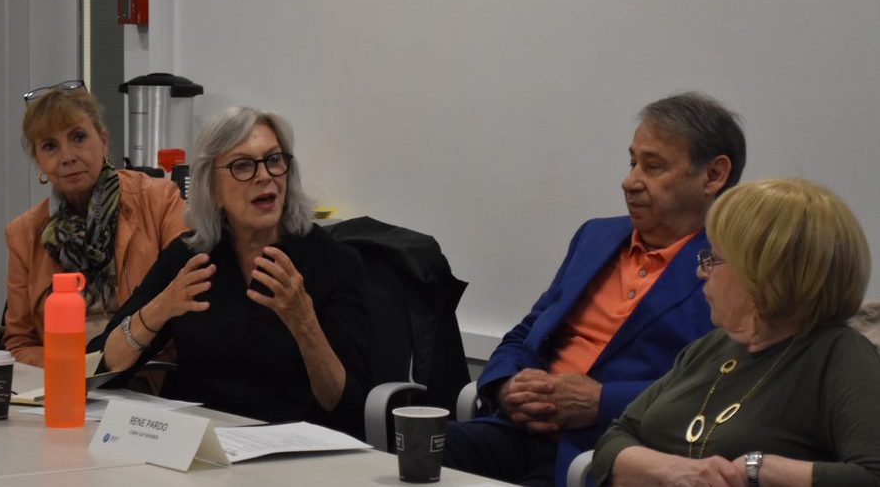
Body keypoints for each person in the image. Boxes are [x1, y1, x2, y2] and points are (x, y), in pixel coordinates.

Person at [444, 92, 747, 486]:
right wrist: (506, 385)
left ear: (713, 176)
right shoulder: (596, 236)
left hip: (606, 451)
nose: (630, 181)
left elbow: (720, 387)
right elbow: (525, 331)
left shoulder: (732, 268)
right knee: (412, 454)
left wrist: (600, 402)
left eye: (653, 167)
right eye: (633, 162)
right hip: (517, 429)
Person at [89, 106, 371, 437]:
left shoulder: (334, 262)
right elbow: (105, 367)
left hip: (293, 450)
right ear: (212, 187)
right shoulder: (191, 256)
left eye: (274, 160)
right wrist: (160, 308)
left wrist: (304, 321)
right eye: (243, 166)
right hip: (198, 445)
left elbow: (346, 404)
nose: (264, 176)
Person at [591, 178, 880, 486]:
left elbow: (871, 474)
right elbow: (614, 440)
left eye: (713, 258)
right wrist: (674, 470)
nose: (701, 271)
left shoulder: (841, 355)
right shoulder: (710, 347)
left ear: (764, 274)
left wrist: (761, 470)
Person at [5, 80, 187, 366]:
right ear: (39, 162)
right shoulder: (23, 233)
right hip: (64, 379)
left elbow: (185, 305)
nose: (67, 157)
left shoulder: (160, 201)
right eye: (50, 146)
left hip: (147, 377)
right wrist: (76, 368)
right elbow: (19, 343)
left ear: (102, 141)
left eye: (78, 137)